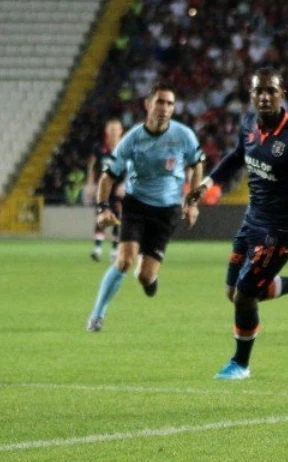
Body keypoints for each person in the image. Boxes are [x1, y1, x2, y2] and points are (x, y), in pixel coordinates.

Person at [187, 71, 288, 380]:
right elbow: (236, 156)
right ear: (251, 94)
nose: (265, 97)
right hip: (252, 220)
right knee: (234, 292)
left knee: (245, 295)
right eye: (259, 91)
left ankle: (241, 364)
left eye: (271, 91)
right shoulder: (248, 124)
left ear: (282, 93)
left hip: (281, 230)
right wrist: (206, 184)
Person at [86, 83, 204, 332]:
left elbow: (197, 165)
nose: (165, 108)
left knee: (144, 276)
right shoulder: (132, 138)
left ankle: (150, 279)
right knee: (124, 260)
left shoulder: (184, 136)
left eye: (170, 103)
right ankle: (97, 315)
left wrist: (192, 202)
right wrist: (102, 208)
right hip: (136, 205)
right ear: (148, 105)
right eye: (160, 102)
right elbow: (108, 176)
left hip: (167, 210)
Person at [87, 117, 124, 262]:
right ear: (107, 131)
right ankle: (97, 249)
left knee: (117, 219)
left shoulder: (125, 148)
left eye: (116, 129)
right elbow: (92, 166)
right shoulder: (99, 148)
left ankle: (115, 251)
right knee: (101, 217)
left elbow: (133, 168)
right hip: (103, 189)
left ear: (121, 131)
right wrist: (90, 183)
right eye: (111, 129)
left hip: (118, 190)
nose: (114, 132)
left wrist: (125, 184)